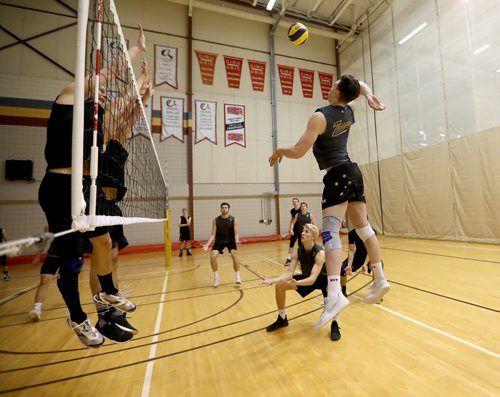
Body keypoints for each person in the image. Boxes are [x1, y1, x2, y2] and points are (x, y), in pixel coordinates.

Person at [37, 25, 146, 347]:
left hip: (81, 187)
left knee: (104, 241)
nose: (99, 93)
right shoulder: (68, 94)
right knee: (71, 262)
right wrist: (137, 50)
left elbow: (124, 104)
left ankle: (108, 293)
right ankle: (77, 316)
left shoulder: (92, 123)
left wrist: (141, 87)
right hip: (57, 186)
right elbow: (109, 74)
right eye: (95, 90)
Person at [269, 74, 390, 329]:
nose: (331, 87)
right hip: (354, 172)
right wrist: (368, 96)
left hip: (337, 174)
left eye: (333, 85)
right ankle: (379, 277)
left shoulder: (320, 116)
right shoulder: (349, 108)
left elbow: (299, 150)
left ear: (336, 93)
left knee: (331, 231)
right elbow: (360, 86)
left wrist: (281, 150)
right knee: (364, 228)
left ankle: (334, 295)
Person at [262, 224, 341, 341]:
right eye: (303, 231)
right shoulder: (297, 251)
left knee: (334, 294)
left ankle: (335, 324)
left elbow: (313, 279)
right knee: (280, 286)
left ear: (313, 236)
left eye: (307, 232)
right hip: (307, 277)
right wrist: (273, 280)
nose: (303, 233)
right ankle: (282, 318)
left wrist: (296, 283)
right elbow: (289, 272)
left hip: (324, 280)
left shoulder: (320, 253)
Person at [202, 202, 241, 287]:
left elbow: (236, 233)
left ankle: (237, 276)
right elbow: (213, 234)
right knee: (212, 256)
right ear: (220, 209)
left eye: (226, 207)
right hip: (219, 241)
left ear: (228, 209)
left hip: (230, 241)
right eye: (222, 207)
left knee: (234, 255)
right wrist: (207, 244)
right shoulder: (216, 220)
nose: (224, 209)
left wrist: (237, 241)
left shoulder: (233, 219)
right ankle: (216, 277)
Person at [340, 228, 380, 298]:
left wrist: (365, 264)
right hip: (358, 257)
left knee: (377, 268)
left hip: (370, 256)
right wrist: (349, 265)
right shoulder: (352, 233)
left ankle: (377, 292)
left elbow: (371, 250)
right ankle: (343, 292)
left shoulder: (372, 231)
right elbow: (351, 251)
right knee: (343, 269)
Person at [284, 197, 300, 265]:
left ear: (298, 202)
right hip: (294, 229)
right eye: (293, 201)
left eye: (296, 201)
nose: (294, 202)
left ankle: (300, 259)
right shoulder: (292, 211)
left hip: (301, 229)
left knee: (301, 245)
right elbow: (291, 220)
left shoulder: (301, 210)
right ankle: (288, 259)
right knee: (291, 244)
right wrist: (290, 228)